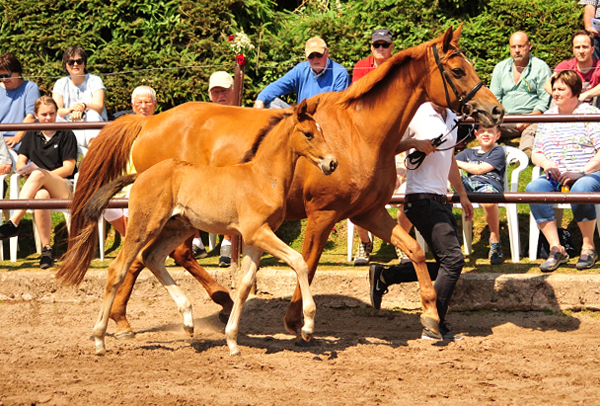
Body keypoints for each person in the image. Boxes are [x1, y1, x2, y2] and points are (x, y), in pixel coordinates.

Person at [369, 102, 474, 341]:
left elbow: (450, 160)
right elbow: (386, 145)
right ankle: (434, 322)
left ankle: (386, 276)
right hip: (420, 198)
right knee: (454, 261)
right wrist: (414, 144)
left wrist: (463, 194)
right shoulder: (416, 112)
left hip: (441, 200)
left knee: (446, 264)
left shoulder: (451, 118)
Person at [526, 70, 600, 272]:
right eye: (554, 89)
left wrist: (581, 173)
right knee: (533, 187)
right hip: (555, 175)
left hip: (589, 173)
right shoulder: (548, 117)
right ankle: (556, 248)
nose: (555, 93)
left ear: (574, 92)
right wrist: (547, 164)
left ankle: (588, 246)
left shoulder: (590, 114)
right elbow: (536, 153)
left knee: (583, 187)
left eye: (561, 89)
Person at [0, 96, 78, 269]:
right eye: (44, 114)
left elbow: (68, 168)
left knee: (37, 176)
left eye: (52, 113)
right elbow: (20, 161)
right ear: (36, 115)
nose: (48, 117)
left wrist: (42, 175)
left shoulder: (66, 133)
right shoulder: (31, 133)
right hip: (39, 187)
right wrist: (25, 172)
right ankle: (47, 250)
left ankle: (13, 223)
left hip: (64, 185)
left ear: (57, 113)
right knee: (41, 195)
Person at [350, 28, 404, 265]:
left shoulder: (400, 67)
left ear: (392, 47)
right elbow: (356, 96)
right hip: (365, 138)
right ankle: (364, 243)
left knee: (405, 195)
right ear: (371, 47)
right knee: (353, 194)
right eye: (377, 45)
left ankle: (401, 244)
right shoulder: (361, 66)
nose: (381, 49)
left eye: (385, 45)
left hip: (396, 137)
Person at [102, 86, 158, 237]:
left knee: (133, 203)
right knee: (104, 203)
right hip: (121, 179)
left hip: (146, 182)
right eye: (139, 103)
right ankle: (134, 242)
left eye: (147, 102)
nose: (143, 107)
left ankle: (135, 245)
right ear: (133, 105)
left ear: (155, 105)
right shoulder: (123, 126)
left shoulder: (160, 127)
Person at [490, 31, 552, 156]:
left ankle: (526, 154)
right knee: (487, 126)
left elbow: (545, 99)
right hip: (504, 118)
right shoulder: (500, 68)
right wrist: (499, 118)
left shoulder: (541, 67)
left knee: (531, 131)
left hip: (532, 118)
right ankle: (491, 153)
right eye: (513, 47)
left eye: (521, 46)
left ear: (529, 46)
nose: (517, 50)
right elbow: (494, 98)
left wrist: (529, 119)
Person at [455, 125, 506, 265]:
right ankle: (451, 245)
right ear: (476, 135)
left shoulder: (498, 150)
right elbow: (449, 164)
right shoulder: (467, 153)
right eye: (482, 131)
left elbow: (479, 169)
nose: (486, 134)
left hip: (488, 185)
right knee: (453, 173)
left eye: (490, 131)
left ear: (498, 136)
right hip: (468, 187)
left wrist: (455, 162)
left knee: (488, 201)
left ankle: (495, 239)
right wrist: (453, 164)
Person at [254, 37, 350, 108]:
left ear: (327, 52)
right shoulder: (300, 69)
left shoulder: (340, 74)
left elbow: (338, 108)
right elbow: (278, 86)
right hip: (301, 119)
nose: (315, 59)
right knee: (269, 103)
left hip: (326, 120)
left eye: (319, 54)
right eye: (311, 56)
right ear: (306, 56)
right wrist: (260, 100)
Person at [52, 46, 107, 148]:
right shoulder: (60, 83)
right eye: (71, 62)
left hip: (93, 128)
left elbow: (99, 108)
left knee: (92, 114)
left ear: (84, 63)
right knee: (57, 119)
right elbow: (56, 111)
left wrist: (83, 106)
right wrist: (72, 109)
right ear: (66, 65)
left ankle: (93, 151)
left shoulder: (95, 80)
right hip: (70, 127)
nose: (75, 64)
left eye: (79, 61)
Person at [208, 71, 235, 266]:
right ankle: (195, 241)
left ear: (233, 91)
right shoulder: (204, 118)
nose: (221, 96)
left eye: (225, 91)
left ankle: (227, 242)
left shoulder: (243, 115)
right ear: (210, 95)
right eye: (216, 92)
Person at [543, 30, 600, 103]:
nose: (581, 51)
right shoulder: (566, 66)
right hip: (569, 106)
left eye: (585, 47)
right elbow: (548, 85)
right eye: (577, 47)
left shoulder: (598, 66)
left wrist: (585, 95)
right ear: (573, 50)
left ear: (592, 49)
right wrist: (566, 97)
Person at [0, 52, 41, 150]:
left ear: (18, 72)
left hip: (21, 141)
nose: (4, 79)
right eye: (1, 76)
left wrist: (16, 138)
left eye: (7, 75)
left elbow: (31, 117)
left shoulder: (30, 87)